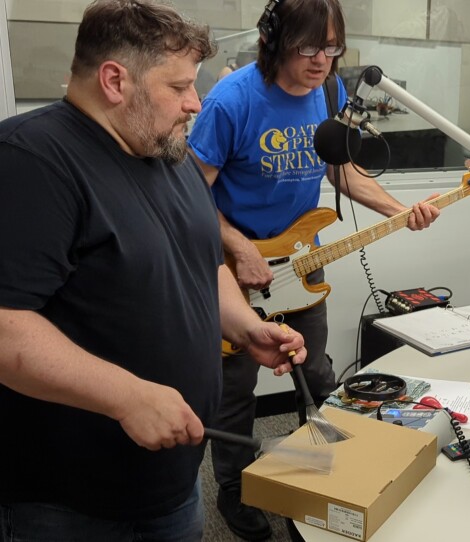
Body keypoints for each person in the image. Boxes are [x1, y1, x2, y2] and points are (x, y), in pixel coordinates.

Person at [0, 1, 308, 540]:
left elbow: (203, 264)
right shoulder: (30, 161)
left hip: (172, 479)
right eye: (179, 87)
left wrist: (244, 326)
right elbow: (5, 325)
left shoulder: (169, 153)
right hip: (70, 503)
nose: (195, 103)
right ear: (115, 80)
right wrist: (127, 396)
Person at [186, 0, 440, 538]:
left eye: (332, 48)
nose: (322, 60)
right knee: (234, 391)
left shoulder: (330, 95)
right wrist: (239, 244)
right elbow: (187, 194)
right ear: (275, 39)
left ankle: (314, 479)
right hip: (234, 269)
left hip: (301, 269)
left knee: (318, 376)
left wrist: (401, 211)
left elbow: (341, 170)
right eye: (308, 47)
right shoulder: (231, 101)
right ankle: (234, 491)